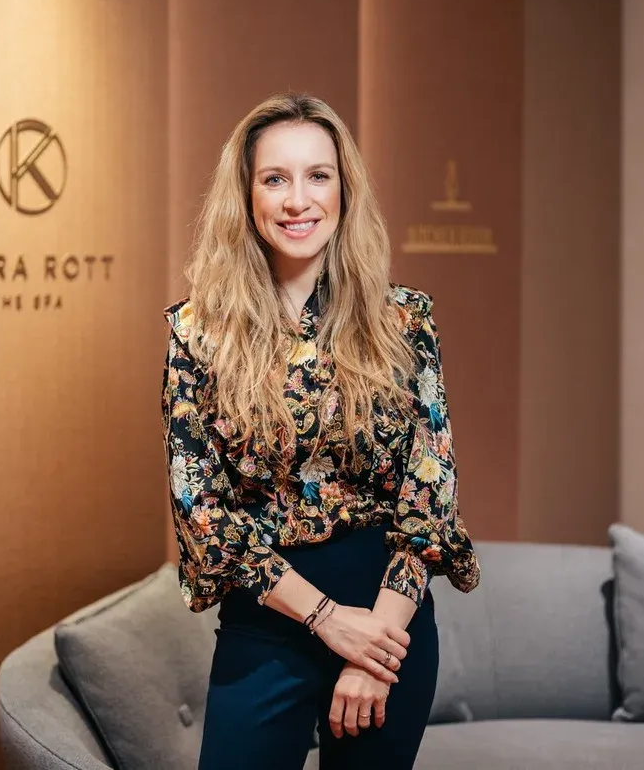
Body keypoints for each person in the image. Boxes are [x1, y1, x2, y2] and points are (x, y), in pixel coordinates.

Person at [160, 93, 481, 769]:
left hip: (387, 623)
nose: (298, 200)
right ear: (246, 196)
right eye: (275, 178)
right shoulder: (198, 333)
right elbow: (202, 516)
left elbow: (430, 499)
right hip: (267, 623)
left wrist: (375, 647)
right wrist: (328, 620)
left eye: (318, 176)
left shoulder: (404, 322)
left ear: (344, 190)